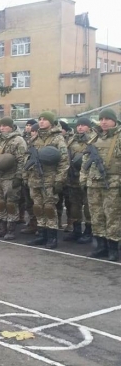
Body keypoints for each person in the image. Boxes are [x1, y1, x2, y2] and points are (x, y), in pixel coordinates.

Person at [24, 112, 69, 249]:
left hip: (50, 179)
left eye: (45, 120)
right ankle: (41, 234)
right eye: (40, 119)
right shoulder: (34, 139)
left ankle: (52, 237)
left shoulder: (57, 139)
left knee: (49, 208)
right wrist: (25, 176)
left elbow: (64, 161)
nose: (42, 122)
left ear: (51, 122)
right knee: (38, 207)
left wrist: (59, 180)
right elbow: (27, 159)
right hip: (34, 179)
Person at [80, 109, 120, 261]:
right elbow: (85, 161)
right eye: (101, 119)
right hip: (93, 183)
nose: (104, 122)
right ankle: (101, 246)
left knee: (112, 217)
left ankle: (113, 249)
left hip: (114, 185)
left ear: (114, 121)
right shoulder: (93, 137)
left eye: (107, 119)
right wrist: (83, 179)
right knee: (96, 216)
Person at [0, 117, 27, 240]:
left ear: (11, 126)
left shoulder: (18, 140)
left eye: (5, 126)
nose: (2, 127)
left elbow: (22, 160)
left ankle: (11, 229)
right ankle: (2, 228)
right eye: (1, 125)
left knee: (11, 203)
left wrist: (19, 177)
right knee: (0, 203)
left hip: (11, 176)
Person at [64, 118, 93, 243]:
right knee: (74, 206)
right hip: (73, 178)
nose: (80, 127)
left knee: (88, 207)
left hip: (87, 178)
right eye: (78, 125)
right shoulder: (72, 140)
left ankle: (88, 231)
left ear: (89, 127)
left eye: (83, 125)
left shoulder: (93, 140)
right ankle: (76, 231)